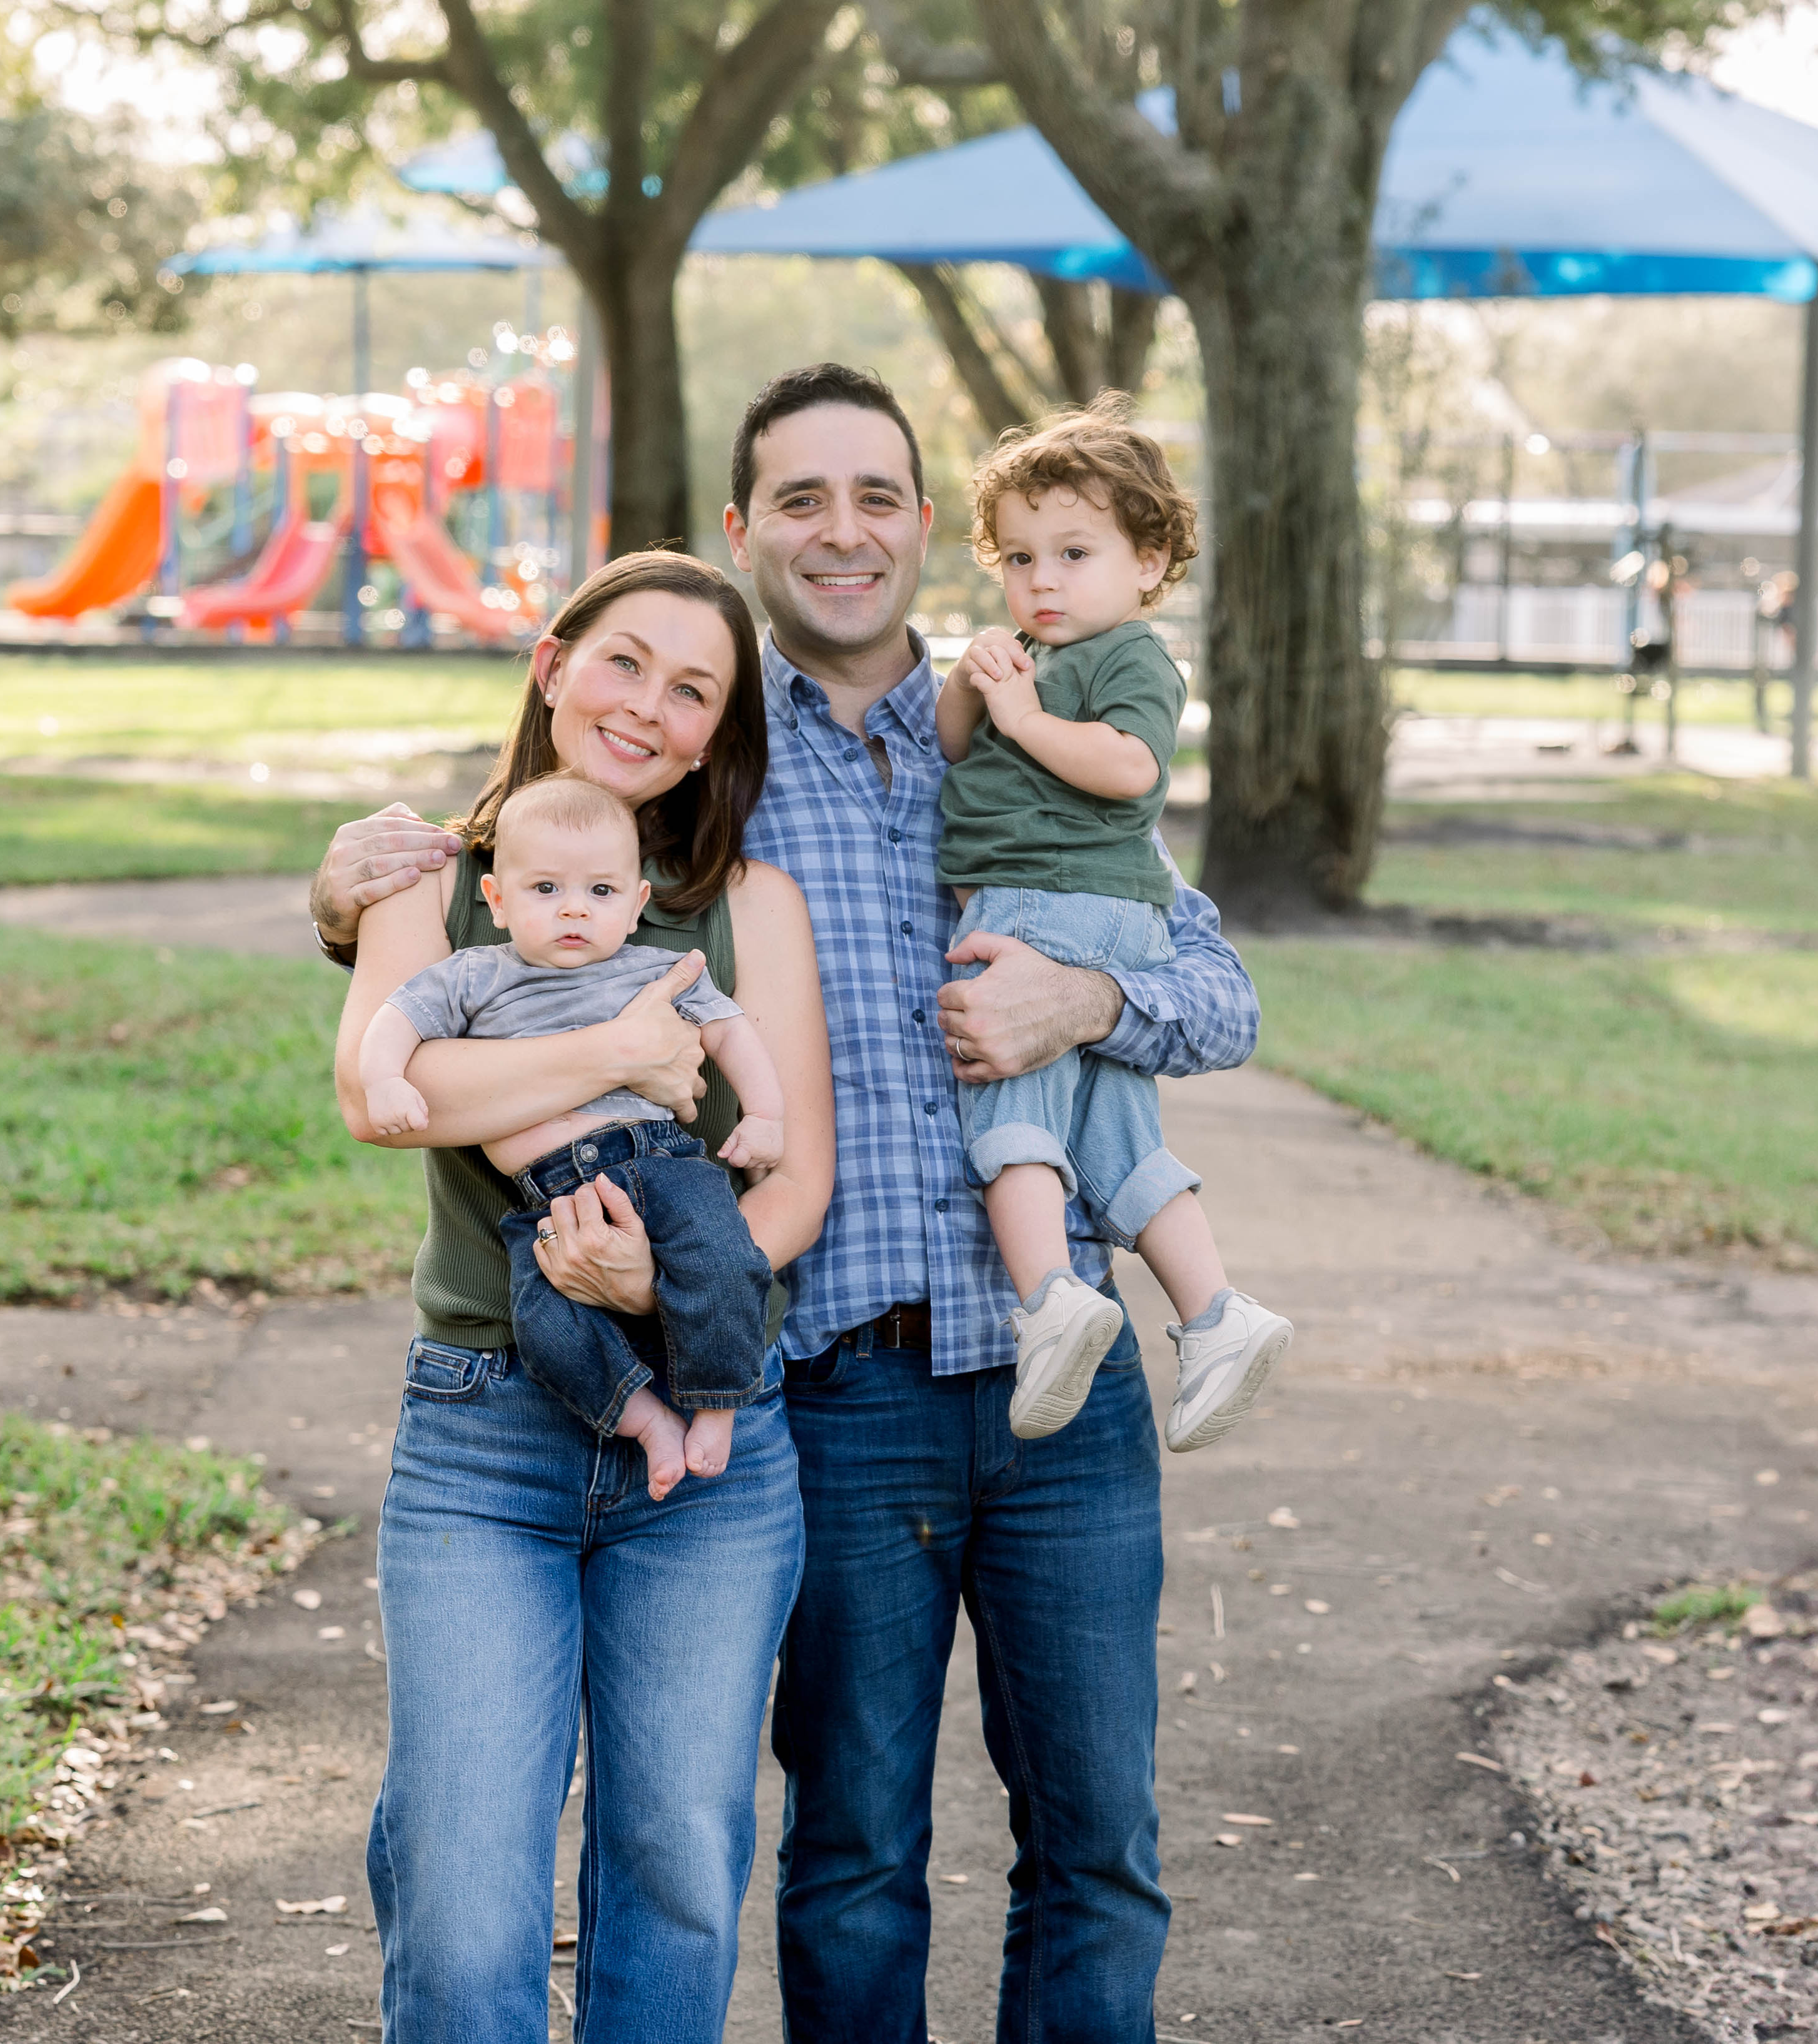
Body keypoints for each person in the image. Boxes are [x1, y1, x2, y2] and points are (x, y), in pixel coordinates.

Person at [315, 365, 1260, 2044]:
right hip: (834, 1384)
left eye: (879, 496)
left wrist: (1083, 1007)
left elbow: (1219, 993)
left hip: (1065, 1362)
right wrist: (344, 899)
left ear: (922, 524)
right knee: (842, 1859)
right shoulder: (727, 785)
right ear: (746, 533)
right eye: (801, 501)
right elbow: (525, 885)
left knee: (1098, 1849)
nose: (844, 531)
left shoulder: (1031, 731)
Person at [328, 550, 834, 2044]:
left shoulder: (751, 903)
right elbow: (389, 1097)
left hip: (714, 1442)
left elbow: (794, 1180)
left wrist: (666, 1294)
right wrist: (622, 1051)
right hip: (487, 1431)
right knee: (470, 1881)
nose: (650, 705)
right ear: (553, 665)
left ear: (718, 729)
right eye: (627, 662)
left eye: (696, 688)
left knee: (678, 1860)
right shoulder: (437, 879)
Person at [936, 400, 1293, 1447]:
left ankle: (1049, 1294)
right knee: (1112, 1135)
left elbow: (1132, 770)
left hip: (1047, 902)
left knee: (1007, 1106)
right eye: (1016, 556)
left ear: (1146, 562)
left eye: (1071, 552)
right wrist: (971, 682)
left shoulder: (1128, 656)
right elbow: (953, 743)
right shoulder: (1020, 653)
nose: (1038, 579)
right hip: (1095, 914)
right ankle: (1216, 1312)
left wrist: (1024, 717)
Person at [356, 769, 790, 1497]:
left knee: (724, 1260)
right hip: (546, 1201)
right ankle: (646, 1419)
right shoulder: (476, 977)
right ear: (496, 900)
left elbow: (731, 1030)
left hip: (663, 1167)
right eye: (546, 889)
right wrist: (385, 1080)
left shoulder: (655, 970)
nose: (574, 912)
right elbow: (393, 1020)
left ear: (637, 902)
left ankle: (717, 1403)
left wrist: (766, 1114)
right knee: (545, 1326)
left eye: (601, 891)